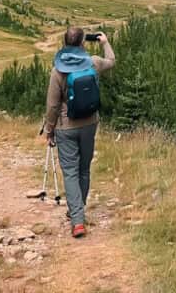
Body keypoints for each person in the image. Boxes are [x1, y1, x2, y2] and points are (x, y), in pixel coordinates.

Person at [43, 27, 115, 239]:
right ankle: (77, 210)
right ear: (83, 43)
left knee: (71, 172)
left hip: (66, 127)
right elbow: (111, 60)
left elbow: (53, 105)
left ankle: (77, 220)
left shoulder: (58, 71)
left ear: (64, 44)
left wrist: (49, 130)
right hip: (90, 124)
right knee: (84, 169)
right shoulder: (93, 62)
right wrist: (104, 42)